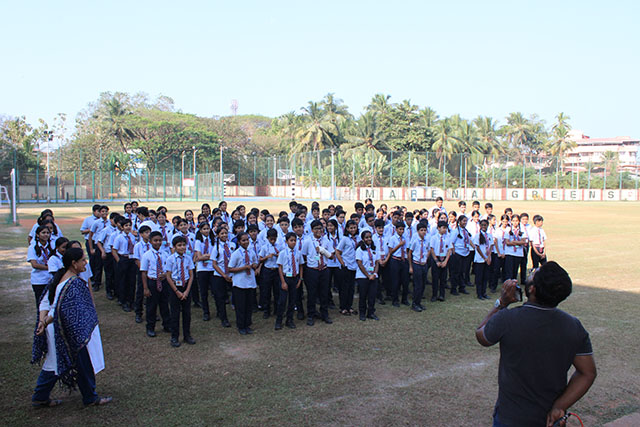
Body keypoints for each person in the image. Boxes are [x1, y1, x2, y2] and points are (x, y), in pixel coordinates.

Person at [475, 262, 596, 427]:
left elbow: (481, 335)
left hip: (510, 418)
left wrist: (501, 303)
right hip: (549, 420)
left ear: (532, 289)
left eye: (533, 273)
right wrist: (560, 406)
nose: (530, 273)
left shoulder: (507, 319)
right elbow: (588, 373)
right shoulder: (573, 326)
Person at [31, 247, 112, 407]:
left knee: (57, 363)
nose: (85, 263)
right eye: (83, 260)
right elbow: (59, 309)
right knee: (78, 363)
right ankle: (89, 397)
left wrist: (44, 321)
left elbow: (50, 304)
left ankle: (41, 396)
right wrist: (44, 321)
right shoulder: (72, 283)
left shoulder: (63, 278)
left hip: (62, 328)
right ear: (74, 263)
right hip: (67, 330)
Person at [165, 235, 196, 347]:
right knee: (175, 313)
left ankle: (187, 335)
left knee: (187, 313)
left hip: (185, 286)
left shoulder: (188, 258)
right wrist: (177, 291)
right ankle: (174, 337)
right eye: (179, 245)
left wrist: (187, 291)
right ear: (174, 247)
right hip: (175, 287)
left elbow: (191, 275)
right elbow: (168, 276)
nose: (182, 247)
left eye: (184, 245)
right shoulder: (170, 259)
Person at [140, 231, 171, 337]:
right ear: (150, 241)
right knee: (151, 306)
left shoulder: (165, 254)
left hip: (164, 281)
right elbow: (144, 272)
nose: (158, 242)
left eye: (159, 240)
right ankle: (150, 327)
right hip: (152, 281)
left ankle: (167, 324)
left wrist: (165, 275)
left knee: (164, 304)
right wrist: (145, 288)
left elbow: (169, 268)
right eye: (155, 240)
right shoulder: (147, 255)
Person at [228, 232, 259, 335]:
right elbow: (230, 268)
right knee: (241, 306)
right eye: (243, 240)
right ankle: (241, 325)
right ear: (239, 242)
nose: (246, 242)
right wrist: (243, 268)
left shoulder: (251, 251)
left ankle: (247, 324)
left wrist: (254, 265)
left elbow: (255, 262)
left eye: (247, 240)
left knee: (249, 305)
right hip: (240, 283)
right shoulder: (236, 254)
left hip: (250, 281)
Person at [275, 232, 303, 330]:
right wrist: (283, 282)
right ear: (286, 242)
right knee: (282, 301)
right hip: (286, 278)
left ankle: (289, 320)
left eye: (295, 240)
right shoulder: (283, 253)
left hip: (295, 278)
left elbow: (300, 265)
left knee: (292, 300)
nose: (293, 242)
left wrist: (300, 279)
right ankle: (278, 321)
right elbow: (280, 267)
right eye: (291, 240)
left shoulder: (298, 253)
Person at [335, 219, 359, 316]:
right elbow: (337, 251)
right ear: (347, 229)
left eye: (354, 227)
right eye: (351, 228)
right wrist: (343, 263)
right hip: (346, 266)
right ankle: (343, 307)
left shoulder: (358, 238)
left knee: (351, 288)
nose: (353, 229)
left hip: (355, 266)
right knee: (344, 288)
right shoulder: (345, 239)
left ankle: (349, 306)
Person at [355, 230, 379, 321]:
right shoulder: (359, 250)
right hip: (363, 276)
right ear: (363, 239)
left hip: (373, 276)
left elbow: (377, 262)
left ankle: (371, 313)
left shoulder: (374, 249)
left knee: (372, 296)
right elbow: (360, 264)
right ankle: (362, 313)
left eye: (370, 237)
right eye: (366, 237)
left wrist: (374, 274)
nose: (369, 239)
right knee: (363, 296)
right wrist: (368, 276)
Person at [27, 226, 53, 309]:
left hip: (51, 279)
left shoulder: (51, 246)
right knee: (41, 303)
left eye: (48, 233)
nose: (46, 235)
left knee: (51, 303)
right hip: (39, 280)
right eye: (43, 233)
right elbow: (34, 264)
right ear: (37, 235)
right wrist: (50, 267)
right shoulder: (33, 247)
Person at [429, 221, 452, 302]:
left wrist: (445, 261)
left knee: (443, 278)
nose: (445, 230)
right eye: (443, 228)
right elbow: (432, 249)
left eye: (446, 228)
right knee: (435, 278)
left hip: (444, 258)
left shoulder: (448, 238)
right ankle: (434, 295)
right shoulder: (434, 238)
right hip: (437, 257)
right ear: (438, 228)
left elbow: (449, 250)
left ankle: (442, 295)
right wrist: (436, 260)